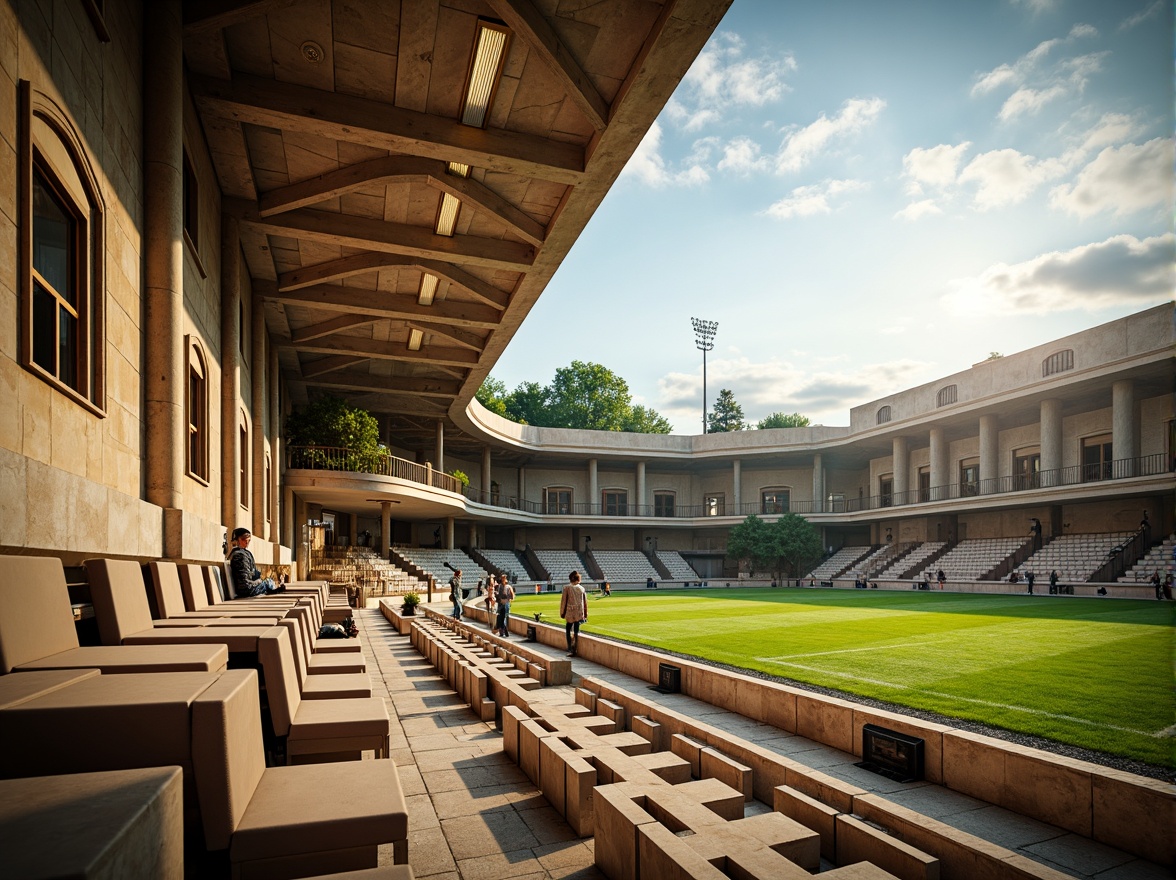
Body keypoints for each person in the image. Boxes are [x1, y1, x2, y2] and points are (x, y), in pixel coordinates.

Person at [227, 528, 286, 597]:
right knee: (268, 582)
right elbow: (244, 581)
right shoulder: (240, 555)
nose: (246, 542)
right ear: (237, 540)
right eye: (243, 539)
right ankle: (272, 588)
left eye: (248, 540)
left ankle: (272, 588)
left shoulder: (238, 553)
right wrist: (258, 581)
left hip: (246, 587)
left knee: (268, 581)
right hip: (246, 590)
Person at [560, 571, 588, 657]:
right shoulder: (581, 588)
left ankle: (570, 648)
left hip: (570, 612)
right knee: (576, 630)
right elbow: (585, 603)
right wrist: (585, 614)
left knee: (568, 629)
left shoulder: (566, 588)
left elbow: (563, 601)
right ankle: (574, 648)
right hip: (579, 612)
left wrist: (562, 613)